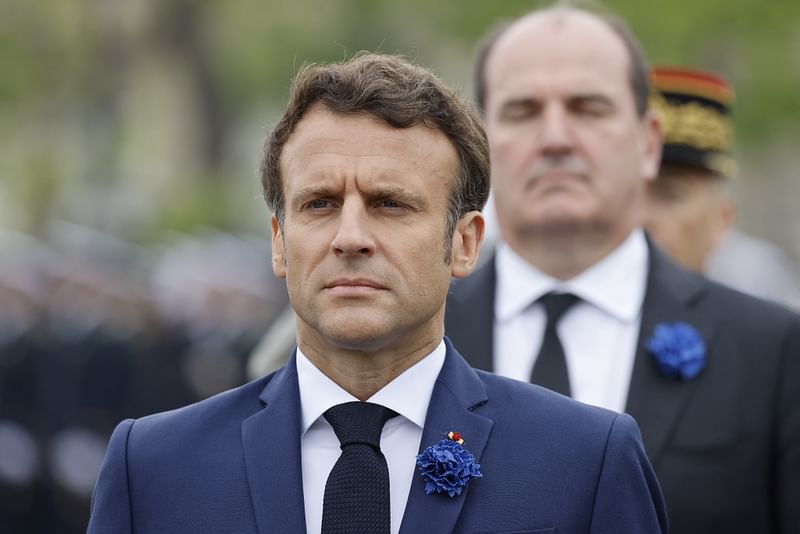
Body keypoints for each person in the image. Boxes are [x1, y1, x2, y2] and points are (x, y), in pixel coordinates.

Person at [87, 53, 666, 533]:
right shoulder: (156, 466)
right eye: (320, 204)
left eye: (391, 204)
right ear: (279, 242)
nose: (351, 237)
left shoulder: (584, 462)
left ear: (464, 243)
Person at [445, 5, 800, 534]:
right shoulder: (415, 336)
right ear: (479, 145)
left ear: (649, 142)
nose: (556, 138)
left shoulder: (772, 351)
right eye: (522, 111)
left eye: (589, 108)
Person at [643, 66, 800, 310]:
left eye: (669, 196)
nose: (641, 219)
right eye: (627, 195)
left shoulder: (760, 296)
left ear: (721, 219)